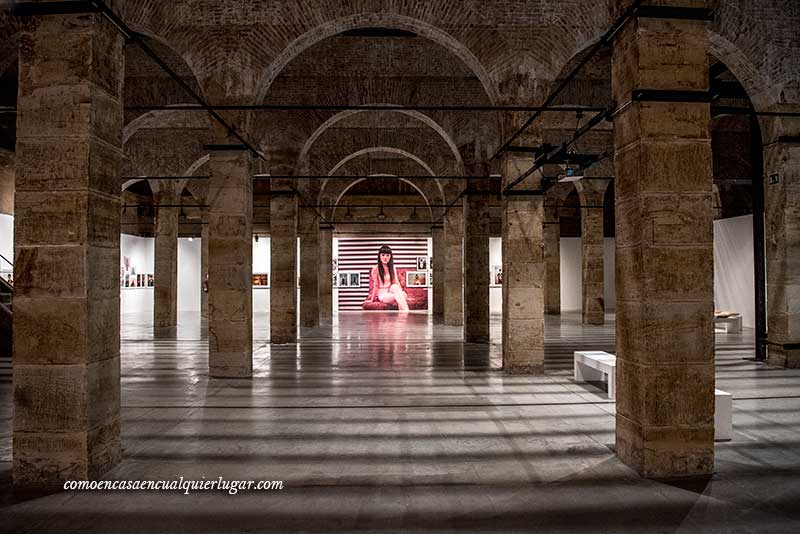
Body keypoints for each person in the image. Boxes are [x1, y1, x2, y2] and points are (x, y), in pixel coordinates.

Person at [363, 245, 409, 311]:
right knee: (402, 296)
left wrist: (400, 292)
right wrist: (371, 300)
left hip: (391, 291)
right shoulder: (376, 268)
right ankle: (406, 312)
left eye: (388, 255)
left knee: (397, 288)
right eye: (383, 255)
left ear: (390, 256)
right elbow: (375, 285)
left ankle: (404, 313)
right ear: (379, 256)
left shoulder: (392, 267)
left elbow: (396, 281)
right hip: (383, 294)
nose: (385, 257)